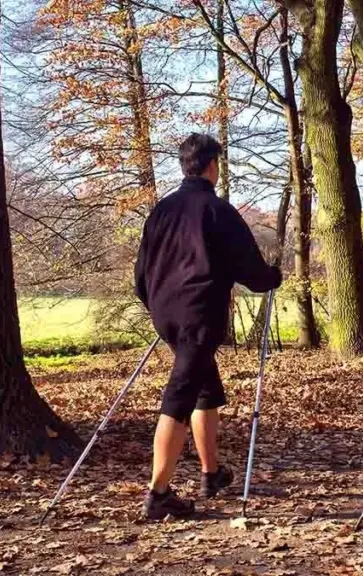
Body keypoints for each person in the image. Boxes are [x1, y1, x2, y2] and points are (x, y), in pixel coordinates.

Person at [134, 133, 281, 519]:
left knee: (204, 389)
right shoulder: (218, 211)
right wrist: (273, 278)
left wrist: (158, 303)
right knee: (180, 396)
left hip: (164, 312)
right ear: (213, 165)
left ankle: (211, 473)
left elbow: (140, 275)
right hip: (199, 316)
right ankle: (158, 494)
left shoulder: (161, 211)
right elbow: (251, 270)